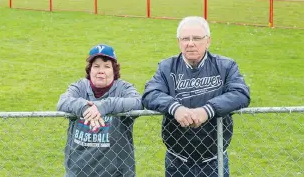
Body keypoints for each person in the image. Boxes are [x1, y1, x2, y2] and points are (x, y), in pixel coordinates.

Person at [142, 16, 251, 177]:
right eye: (185, 38)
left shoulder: (225, 66)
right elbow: (150, 94)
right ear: (179, 42)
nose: (190, 43)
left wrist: (208, 110)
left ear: (208, 41)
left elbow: (241, 93)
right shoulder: (167, 67)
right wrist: (175, 108)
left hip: (214, 160)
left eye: (197, 38)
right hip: (177, 160)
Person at [57, 44, 143, 177]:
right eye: (96, 66)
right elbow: (63, 101)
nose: (100, 71)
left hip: (117, 172)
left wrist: (104, 106)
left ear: (114, 70)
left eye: (106, 66)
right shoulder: (80, 87)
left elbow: (138, 102)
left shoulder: (123, 88)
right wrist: (85, 108)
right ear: (89, 70)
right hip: (79, 171)